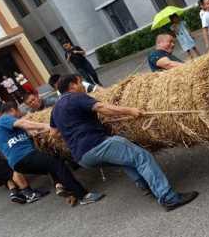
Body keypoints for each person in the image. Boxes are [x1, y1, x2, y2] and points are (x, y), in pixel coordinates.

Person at [50, 74, 198, 211]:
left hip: (82, 157)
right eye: (80, 82)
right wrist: (130, 111)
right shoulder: (76, 97)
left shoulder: (55, 109)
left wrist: (73, 127)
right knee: (142, 157)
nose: (83, 86)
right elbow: (102, 108)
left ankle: (147, 187)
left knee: (126, 160)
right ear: (73, 85)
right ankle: (169, 198)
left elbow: (54, 134)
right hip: (96, 144)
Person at [0, 101, 103, 205]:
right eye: (18, 110)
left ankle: (63, 189)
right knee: (56, 164)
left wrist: (39, 132)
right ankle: (83, 196)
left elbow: (31, 132)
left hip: (19, 163)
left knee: (53, 164)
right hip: (23, 156)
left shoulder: (10, 127)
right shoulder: (4, 119)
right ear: (12, 110)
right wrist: (47, 125)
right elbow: (24, 123)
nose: (19, 113)